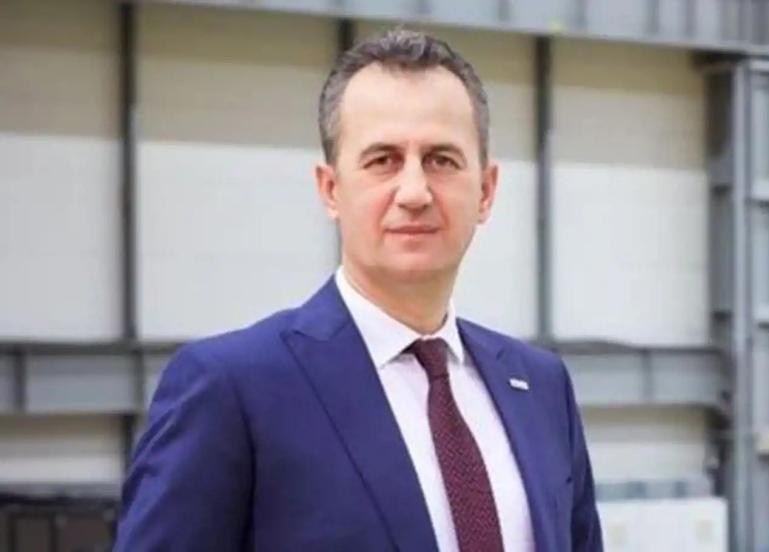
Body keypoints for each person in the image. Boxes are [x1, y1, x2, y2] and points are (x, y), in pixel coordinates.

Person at [114, 28, 602, 552]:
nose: (414, 192)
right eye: (382, 160)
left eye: (441, 160)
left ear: (485, 191)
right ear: (330, 189)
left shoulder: (541, 387)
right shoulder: (232, 389)